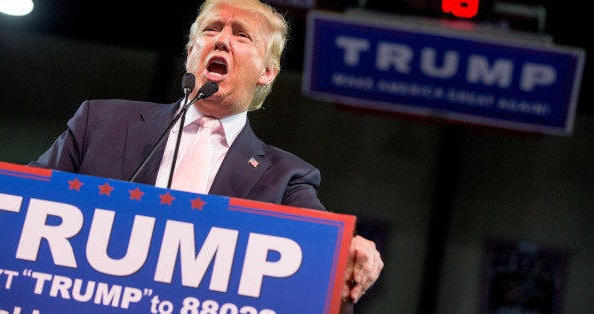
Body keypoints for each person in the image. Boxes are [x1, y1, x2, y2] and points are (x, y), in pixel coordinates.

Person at [30, 0, 383, 305]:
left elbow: (317, 235)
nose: (222, 39)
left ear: (267, 72)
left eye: (241, 34)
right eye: (212, 29)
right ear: (190, 54)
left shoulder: (286, 177)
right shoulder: (100, 121)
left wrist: (350, 248)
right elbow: (24, 196)